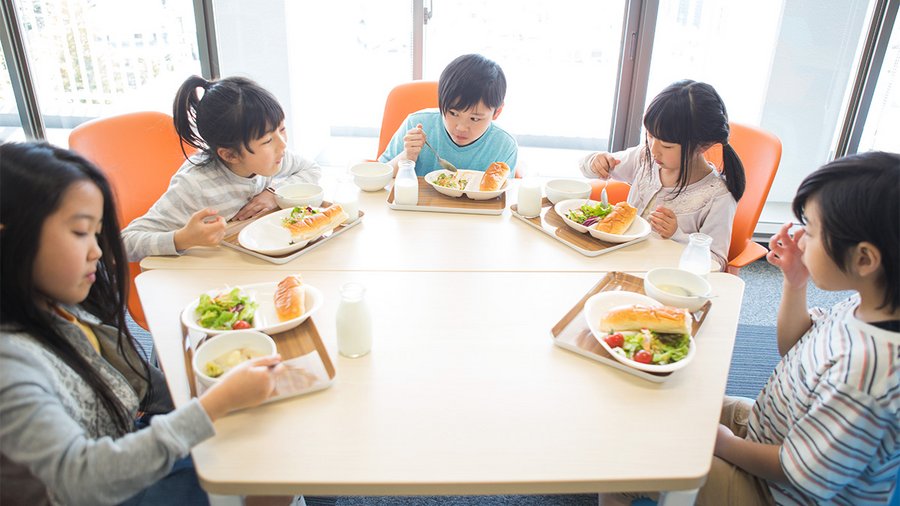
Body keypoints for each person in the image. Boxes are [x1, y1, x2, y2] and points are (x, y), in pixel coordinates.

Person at [0, 142, 282, 505]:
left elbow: (139, 381)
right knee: (268, 468)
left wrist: (209, 393)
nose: (97, 251)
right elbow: (79, 480)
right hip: (108, 486)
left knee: (266, 439)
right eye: (79, 233)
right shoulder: (11, 362)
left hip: (127, 438)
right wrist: (212, 406)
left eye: (96, 233)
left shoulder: (60, 308)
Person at [708, 152, 899, 505]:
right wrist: (795, 282)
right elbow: (793, 345)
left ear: (864, 259)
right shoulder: (867, 304)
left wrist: (722, 444)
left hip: (781, 493)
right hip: (768, 433)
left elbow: (801, 471)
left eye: (810, 229)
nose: (800, 237)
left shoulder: (868, 374)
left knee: (640, 464)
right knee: (674, 404)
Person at [122, 75, 321, 262]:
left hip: (252, 260)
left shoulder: (273, 159)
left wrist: (273, 193)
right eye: (268, 140)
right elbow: (125, 243)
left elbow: (311, 169)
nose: (283, 144)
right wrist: (183, 238)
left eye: (282, 129)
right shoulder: (194, 186)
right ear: (230, 155)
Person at [579, 80, 745, 271]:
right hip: (619, 263)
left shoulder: (718, 196)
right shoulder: (645, 157)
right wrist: (595, 162)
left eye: (667, 146)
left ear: (703, 146)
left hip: (661, 280)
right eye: (649, 136)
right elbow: (587, 168)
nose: (654, 149)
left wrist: (677, 234)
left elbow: (717, 263)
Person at [378, 53, 518, 177]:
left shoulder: (504, 145)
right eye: (453, 113)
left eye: (475, 118)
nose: (461, 128)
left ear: (497, 112)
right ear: (440, 103)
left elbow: (503, 197)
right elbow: (380, 174)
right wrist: (407, 156)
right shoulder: (417, 124)